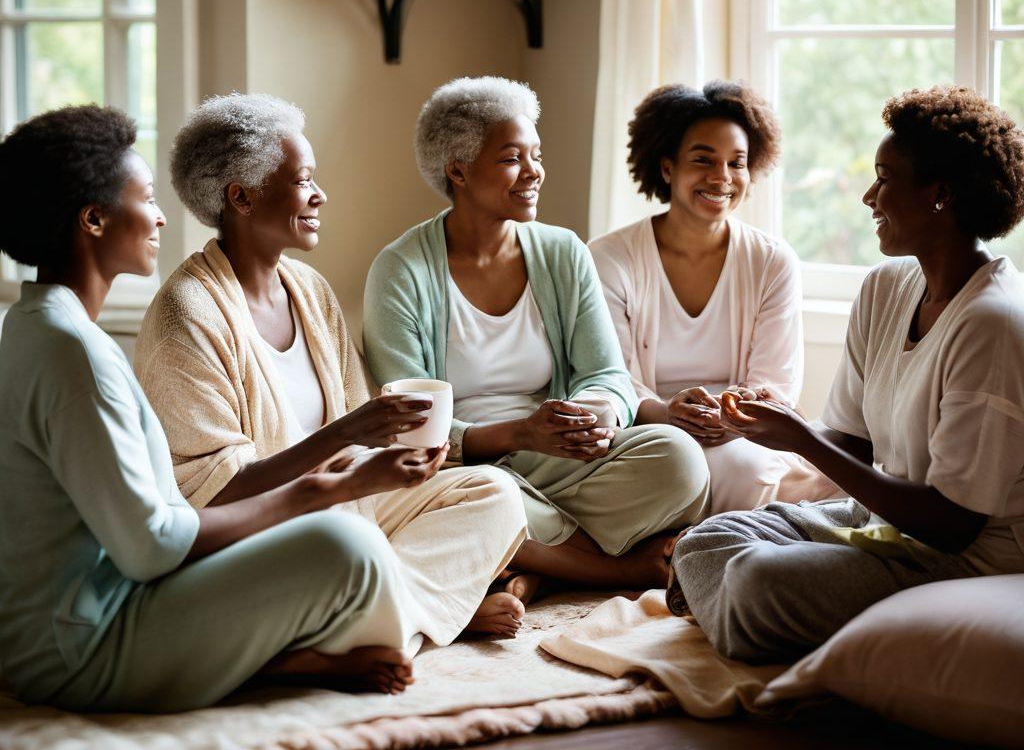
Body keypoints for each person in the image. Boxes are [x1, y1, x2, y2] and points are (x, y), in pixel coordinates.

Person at [0, 105, 452, 712]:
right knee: (350, 548)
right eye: (148, 198)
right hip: (84, 648)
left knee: (384, 526)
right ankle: (290, 658)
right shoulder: (78, 356)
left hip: (90, 615)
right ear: (94, 219)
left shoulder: (36, 326)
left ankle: (282, 657)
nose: (162, 215)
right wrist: (323, 490)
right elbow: (152, 547)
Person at [134, 94, 528, 655]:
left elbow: (352, 445)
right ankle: (422, 613)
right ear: (241, 197)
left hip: (345, 508)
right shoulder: (185, 314)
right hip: (261, 533)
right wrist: (346, 437)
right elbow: (212, 495)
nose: (320, 195)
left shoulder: (311, 291)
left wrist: (390, 462)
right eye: (302, 180)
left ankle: (380, 618)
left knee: (494, 493)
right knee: (344, 543)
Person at [672, 85, 1024, 663]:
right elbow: (852, 444)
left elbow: (952, 525)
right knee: (705, 540)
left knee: (761, 580)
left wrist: (798, 437)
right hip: (885, 523)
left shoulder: (992, 324)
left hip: (962, 560)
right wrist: (767, 425)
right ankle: (740, 613)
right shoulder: (887, 287)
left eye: (885, 178)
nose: (869, 196)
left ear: (940, 195)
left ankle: (738, 611)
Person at [363, 76, 710, 592]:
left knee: (679, 459)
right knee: (485, 498)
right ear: (458, 171)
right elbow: (411, 431)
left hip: (557, 457)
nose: (534, 173)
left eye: (536, 155)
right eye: (511, 159)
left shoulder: (561, 252)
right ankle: (608, 568)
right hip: (466, 469)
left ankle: (531, 562)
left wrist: (593, 414)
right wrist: (519, 433)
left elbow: (606, 372)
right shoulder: (400, 270)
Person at [589, 81, 839, 514]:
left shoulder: (772, 261)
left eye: (736, 163)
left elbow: (775, 383)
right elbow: (609, 377)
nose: (721, 177)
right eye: (703, 160)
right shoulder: (609, 257)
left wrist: (729, 419)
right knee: (699, 469)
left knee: (761, 469)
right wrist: (667, 412)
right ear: (667, 168)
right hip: (646, 430)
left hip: (744, 434)